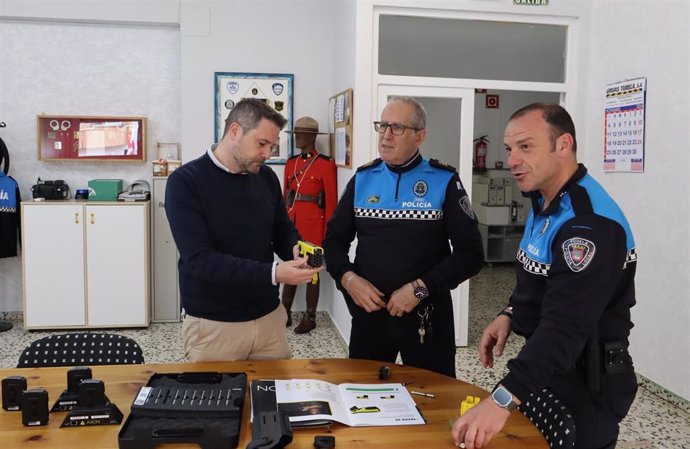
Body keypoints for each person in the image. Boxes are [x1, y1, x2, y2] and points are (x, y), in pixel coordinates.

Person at [451, 103, 638, 449]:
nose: (511, 160)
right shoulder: (544, 202)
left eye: (526, 146)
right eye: (509, 149)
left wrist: (500, 401)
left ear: (563, 145)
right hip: (548, 371)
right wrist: (510, 313)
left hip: (587, 383)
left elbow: (565, 327)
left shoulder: (589, 225)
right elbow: (540, 278)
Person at [323, 96, 484, 377]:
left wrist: (419, 289)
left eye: (396, 128)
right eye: (382, 125)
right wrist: (348, 280)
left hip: (427, 318)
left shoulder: (444, 180)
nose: (385, 135)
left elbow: (471, 255)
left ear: (419, 136)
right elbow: (334, 242)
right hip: (370, 317)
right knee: (364, 398)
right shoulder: (363, 178)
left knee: (433, 402)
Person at [165, 98, 322, 362]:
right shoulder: (185, 182)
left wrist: (295, 249)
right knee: (219, 403)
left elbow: (282, 230)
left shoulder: (266, 177)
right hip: (214, 325)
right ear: (235, 131)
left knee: (277, 400)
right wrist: (275, 273)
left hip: (269, 320)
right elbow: (201, 261)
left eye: (272, 146)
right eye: (262, 144)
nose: (267, 154)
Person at [282, 116, 338, 333]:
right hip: (292, 225)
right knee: (290, 266)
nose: (297, 137)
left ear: (312, 136)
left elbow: (331, 203)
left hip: (314, 226)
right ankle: (284, 312)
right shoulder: (291, 163)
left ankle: (310, 316)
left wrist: (328, 235)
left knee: (312, 272)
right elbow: (284, 197)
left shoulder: (325, 165)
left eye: (301, 134)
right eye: (295, 133)